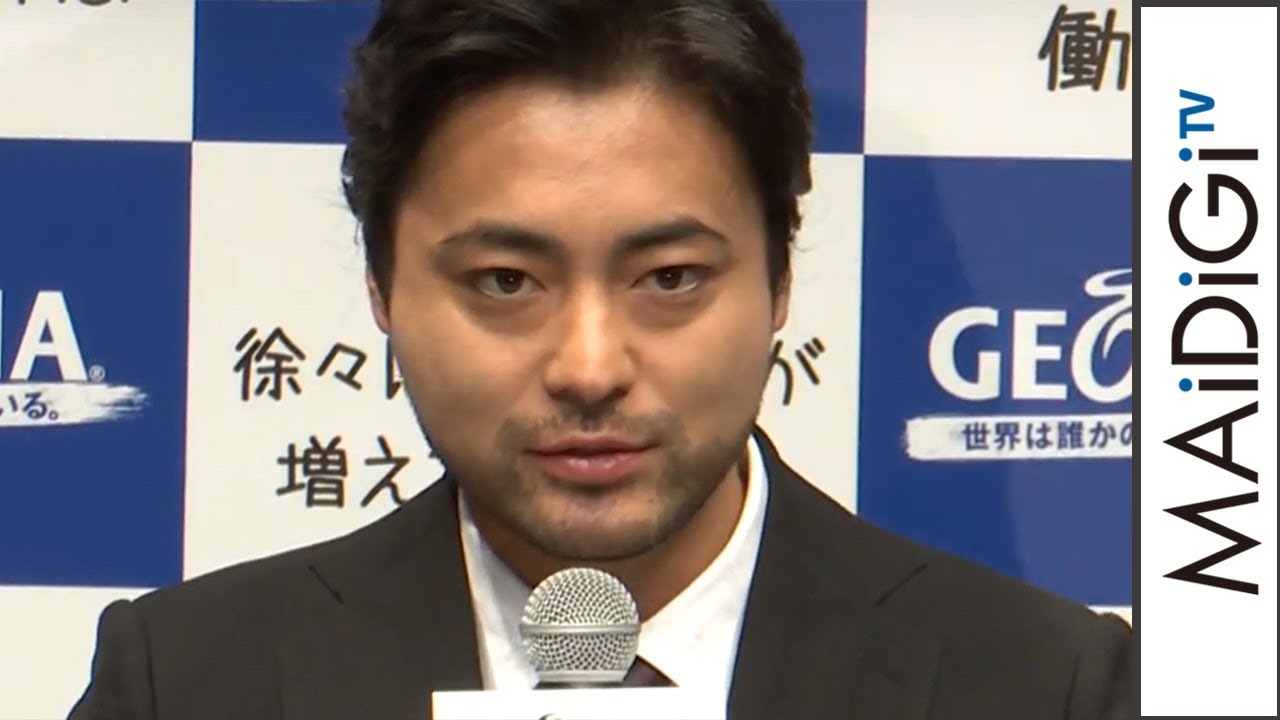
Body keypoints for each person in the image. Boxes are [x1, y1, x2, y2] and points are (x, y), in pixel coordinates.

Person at [67, 0, 1133, 718]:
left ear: (779, 280)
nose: (588, 367)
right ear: (381, 287)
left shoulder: (1046, 686)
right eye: (504, 281)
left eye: (668, 277)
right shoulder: (188, 683)